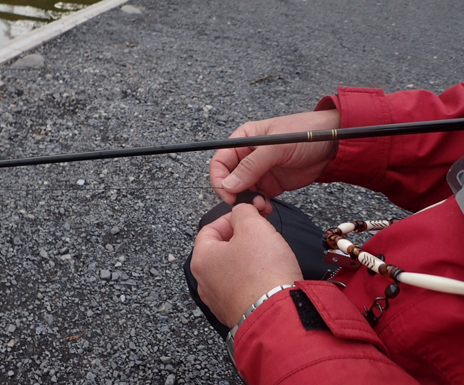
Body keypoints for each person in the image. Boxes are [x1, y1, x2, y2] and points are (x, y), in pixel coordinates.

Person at [185, 83, 464, 384]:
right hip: (372, 282)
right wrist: (340, 134)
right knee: (226, 231)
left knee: (225, 257)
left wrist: (265, 310)